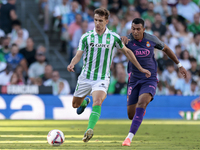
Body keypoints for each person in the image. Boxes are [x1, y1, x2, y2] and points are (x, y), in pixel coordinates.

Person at [67, 8, 151, 143]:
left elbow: (127, 52)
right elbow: (78, 54)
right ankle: (84, 102)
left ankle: (89, 129)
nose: (97, 23)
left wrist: (140, 68)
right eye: (95, 20)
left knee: (98, 101)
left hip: (102, 78)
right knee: (75, 105)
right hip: (85, 77)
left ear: (106, 21)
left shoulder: (113, 37)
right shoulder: (86, 37)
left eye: (100, 21)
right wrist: (72, 64)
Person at [121, 18, 187, 146]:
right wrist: (121, 39)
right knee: (131, 114)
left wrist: (179, 65)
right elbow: (116, 42)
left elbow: (166, 49)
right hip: (134, 79)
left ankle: (129, 138)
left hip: (149, 78)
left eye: (138, 29)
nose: (135, 32)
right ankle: (142, 110)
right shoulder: (127, 39)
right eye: (133, 29)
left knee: (142, 102)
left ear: (144, 29)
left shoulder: (151, 39)